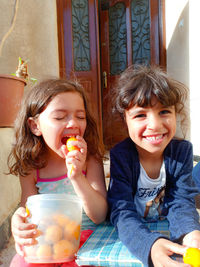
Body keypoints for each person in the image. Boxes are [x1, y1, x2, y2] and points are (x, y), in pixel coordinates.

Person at [8, 78, 108, 267]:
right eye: (60, 117)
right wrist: (18, 221)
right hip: (49, 241)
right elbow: (28, 212)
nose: (73, 123)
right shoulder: (31, 168)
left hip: (87, 242)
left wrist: (77, 176)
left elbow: (100, 215)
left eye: (80, 116)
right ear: (35, 126)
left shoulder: (90, 159)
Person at [107, 65, 200, 267]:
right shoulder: (121, 156)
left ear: (176, 114)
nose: (155, 125)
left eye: (164, 111)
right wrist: (149, 246)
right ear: (125, 120)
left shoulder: (181, 151)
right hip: (133, 235)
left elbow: (182, 201)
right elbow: (121, 211)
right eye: (140, 115)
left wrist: (190, 234)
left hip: (166, 227)